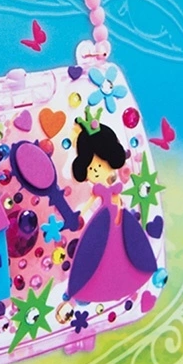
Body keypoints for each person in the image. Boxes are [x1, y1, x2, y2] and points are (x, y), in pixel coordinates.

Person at [66, 121, 157, 303]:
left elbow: (119, 201)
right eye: (91, 168)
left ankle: (127, 278)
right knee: (101, 254)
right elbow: (89, 204)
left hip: (117, 222)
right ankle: (98, 286)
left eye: (99, 166)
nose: (96, 170)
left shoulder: (115, 189)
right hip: (101, 226)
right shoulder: (98, 193)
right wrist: (81, 213)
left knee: (122, 250)